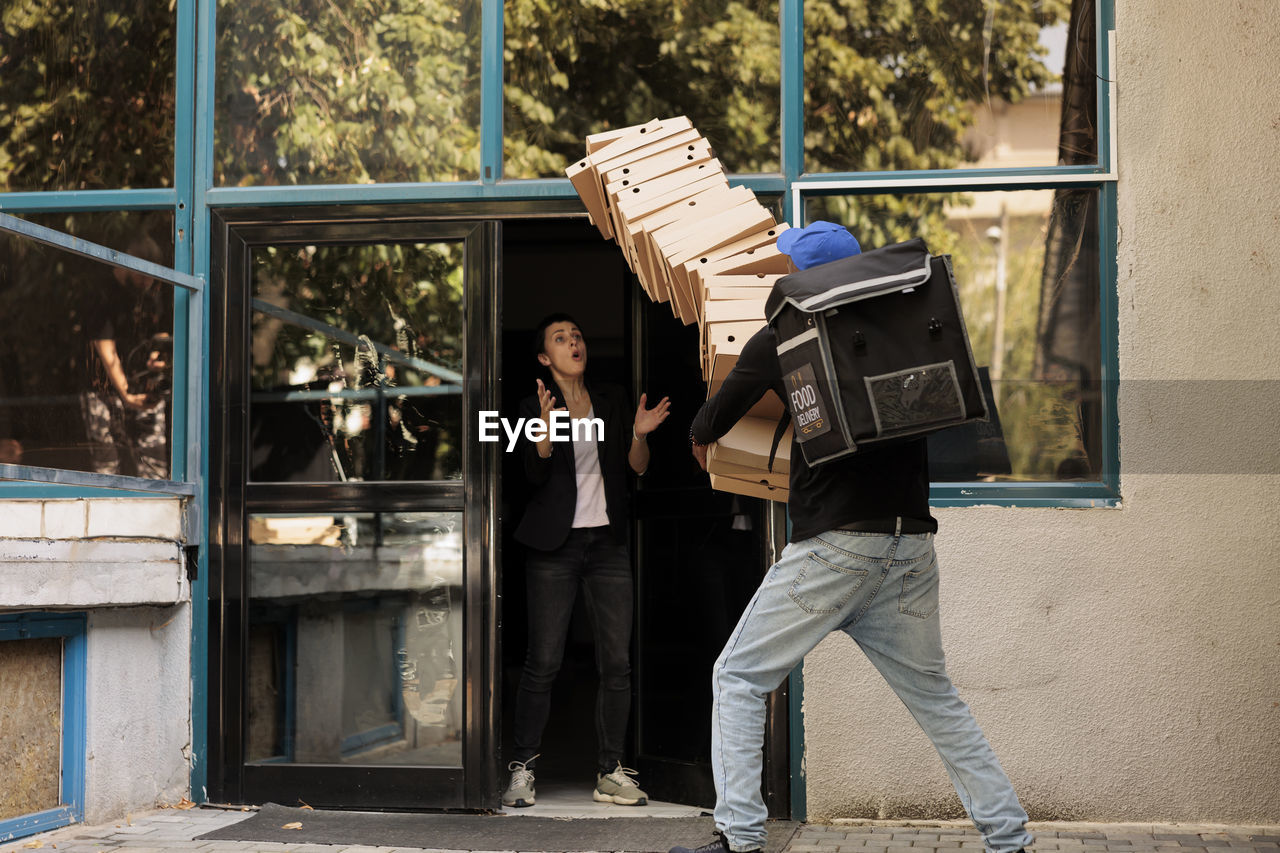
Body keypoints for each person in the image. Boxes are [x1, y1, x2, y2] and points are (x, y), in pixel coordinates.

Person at [670, 222, 1033, 853]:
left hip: (835, 546)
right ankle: (1010, 837)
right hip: (911, 545)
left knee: (737, 677)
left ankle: (739, 837)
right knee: (937, 700)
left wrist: (702, 441)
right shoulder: (899, 326)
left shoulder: (786, 330)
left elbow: (715, 416)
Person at [504, 313, 671, 809]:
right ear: (543, 357)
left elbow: (635, 468)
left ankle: (610, 771)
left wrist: (639, 434)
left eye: (577, 335)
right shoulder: (529, 406)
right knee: (544, 662)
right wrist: (544, 432)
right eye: (560, 338)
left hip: (607, 545)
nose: (573, 342)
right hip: (554, 548)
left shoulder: (613, 400)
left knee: (617, 663)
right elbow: (531, 479)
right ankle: (523, 768)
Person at [80, 234, 172, 478]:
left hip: (143, 384)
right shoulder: (101, 295)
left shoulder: (153, 293)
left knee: (154, 466)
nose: (147, 281)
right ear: (125, 265)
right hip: (103, 390)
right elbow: (105, 349)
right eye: (142, 274)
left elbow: (160, 331)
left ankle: (154, 512)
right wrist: (127, 395)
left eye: (152, 276)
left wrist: (158, 355)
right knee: (107, 467)